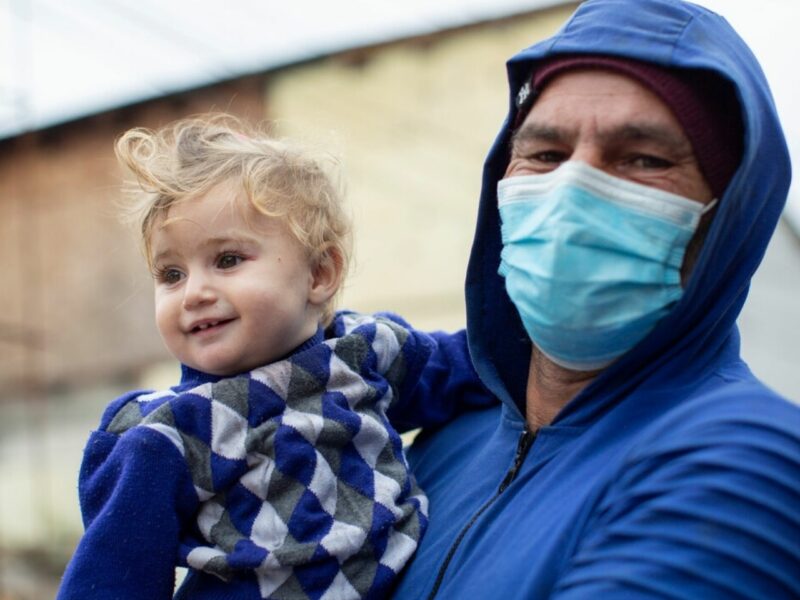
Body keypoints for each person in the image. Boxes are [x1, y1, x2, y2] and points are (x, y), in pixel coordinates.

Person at [389, 0, 800, 598]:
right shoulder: (448, 437)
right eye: (546, 155)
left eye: (645, 160)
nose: (571, 190)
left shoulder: (744, 461)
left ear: (729, 220)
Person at [57, 116, 486, 600]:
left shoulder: (365, 354)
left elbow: (480, 364)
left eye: (227, 260)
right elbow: (112, 576)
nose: (194, 292)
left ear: (320, 273)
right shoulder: (173, 434)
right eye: (171, 273)